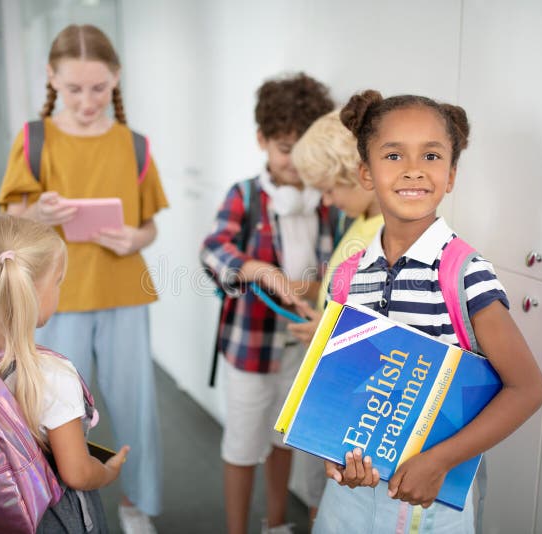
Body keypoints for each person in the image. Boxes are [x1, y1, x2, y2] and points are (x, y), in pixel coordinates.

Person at [312, 91, 542, 533]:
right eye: (394, 154)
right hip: (349, 500)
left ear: (451, 174)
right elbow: (337, 386)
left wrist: (439, 461)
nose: (414, 169)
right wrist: (333, 452)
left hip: (428, 504)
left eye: (432, 155)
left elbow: (527, 389)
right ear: (366, 172)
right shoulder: (346, 277)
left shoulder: (465, 276)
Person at [0, 24, 168, 534]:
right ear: (52, 78)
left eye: (99, 88)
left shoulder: (133, 144)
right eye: (74, 89)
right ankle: (54, 506)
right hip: (53, 296)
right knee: (50, 415)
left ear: (116, 78)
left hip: (123, 290)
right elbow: (8, 220)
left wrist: (134, 240)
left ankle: (137, 504)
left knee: (136, 406)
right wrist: (39, 215)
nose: (88, 100)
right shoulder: (34, 139)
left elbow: (150, 224)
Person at [199, 72, 335, 534]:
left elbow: (338, 266)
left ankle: (276, 522)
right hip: (250, 349)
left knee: (284, 440)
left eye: (303, 152)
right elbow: (213, 249)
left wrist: (314, 290)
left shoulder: (327, 202)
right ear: (262, 140)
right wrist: (258, 270)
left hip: (302, 349)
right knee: (242, 445)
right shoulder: (244, 195)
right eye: (283, 150)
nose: (294, 165)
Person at [0, 213, 129, 532]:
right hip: (52, 520)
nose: (59, 289)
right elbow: (76, 473)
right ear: (27, 291)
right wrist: (108, 472)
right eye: (57, 281)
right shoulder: (51, 374)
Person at [285, 109, 384, 523]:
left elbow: (378, 329)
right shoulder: (359, 222)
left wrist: (328, 332)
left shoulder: (383, 232)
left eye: (328, 190)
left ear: (358, 173)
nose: (327, 202)